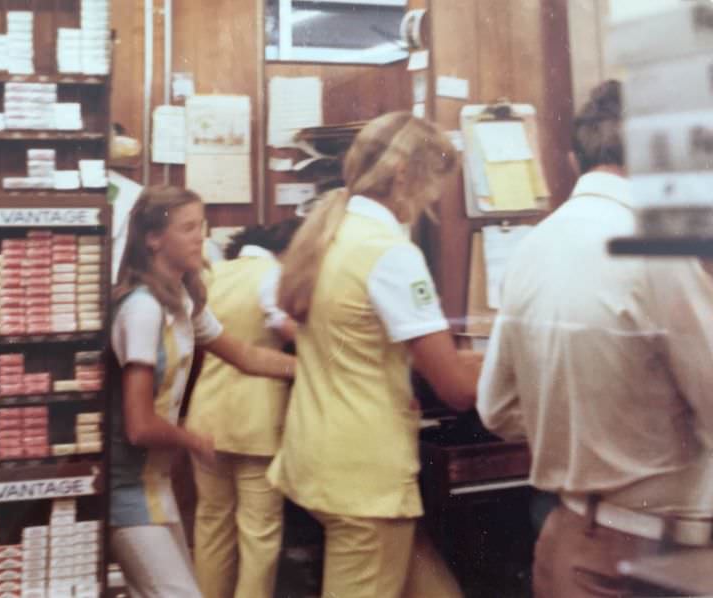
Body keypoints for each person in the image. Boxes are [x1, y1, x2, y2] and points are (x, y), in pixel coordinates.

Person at [477, 80, 713, 598]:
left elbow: (496, 408)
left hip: (574, 539)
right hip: (674, 558)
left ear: (572, 157)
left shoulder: (532, 248)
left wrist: (593, 432)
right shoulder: (659, 251)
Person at [267, 111, 482, 598]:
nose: (433, 200)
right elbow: (456, 388)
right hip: (366, 477)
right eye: (434, 185)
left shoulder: (329, 237)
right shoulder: (391, 254)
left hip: (319, 456)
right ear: (405, 173)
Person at [107, 186, 295, 598]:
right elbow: (139, 426)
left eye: (202, 226)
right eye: (188, 227)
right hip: (127, 489)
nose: (200, 236)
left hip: (154, 485)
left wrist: (312, 370)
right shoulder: (143, 309)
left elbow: (245, 354)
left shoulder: (183, 302)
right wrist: (189, 438)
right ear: (154, 238)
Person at [186, 219, 301, 598]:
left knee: (211, 525)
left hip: (207, 415)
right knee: (260, 533)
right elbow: (286, 330)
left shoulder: (213, 274)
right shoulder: (273, 275)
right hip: (259, 419)